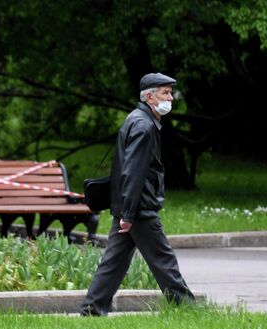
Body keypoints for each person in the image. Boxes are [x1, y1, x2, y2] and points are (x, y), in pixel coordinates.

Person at [80, 72, 195, 316]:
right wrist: (129, 214)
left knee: (114, 262)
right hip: (139, 209)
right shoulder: (143, 126)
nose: (170, 97)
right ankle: (186, 308)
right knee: (164, 260)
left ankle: (92, 309)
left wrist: (124, 211)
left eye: (170, 92)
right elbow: (133, 173)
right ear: (150, 97)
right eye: (165, 92)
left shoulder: (138, 119)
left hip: (129, 207)